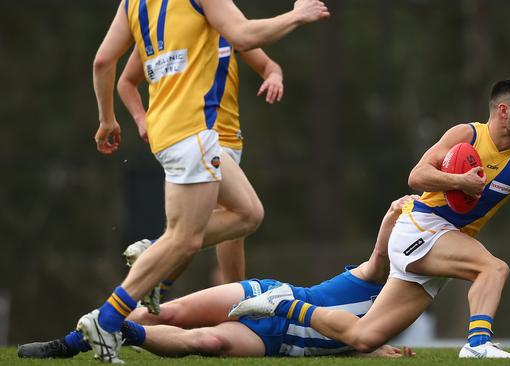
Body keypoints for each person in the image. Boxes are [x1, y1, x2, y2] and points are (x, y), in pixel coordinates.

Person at [229, 78, 510, 359]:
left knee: (363, 336)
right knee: (493, 267)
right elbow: (417, 175)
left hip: (440, 244)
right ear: (503, 110)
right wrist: (460, 179)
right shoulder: (467, 136)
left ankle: (282, 305)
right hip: (420, 224)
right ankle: (478, 343)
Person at [84, 0, 329, 363]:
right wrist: (297, 15)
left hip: (176, 133)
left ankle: (152, 261)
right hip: (194, 131)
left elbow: (102, 62)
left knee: (247, 213)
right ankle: (105, 320)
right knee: (184, 240)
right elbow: (244, 33)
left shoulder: (132, 3)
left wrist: (107, 120)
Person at [17, 197, 418, 359]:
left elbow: (355, 338)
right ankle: (68, 345)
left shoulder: (384, 325)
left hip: (273, 341)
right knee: (166, 315)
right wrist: (392, 215)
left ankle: (121, 332)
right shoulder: (375, 280)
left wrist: (371, 350)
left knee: (204, 342)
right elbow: (380, 256)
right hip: (265, 294)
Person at [116, 37, 284, 313]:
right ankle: (237, 305)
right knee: (235, 219)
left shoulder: (227, 26)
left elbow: (268, 64)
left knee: (208, 229)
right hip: (197, 138)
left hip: (229, 140)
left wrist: (274, 76)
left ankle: (144, 299)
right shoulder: (168, 26)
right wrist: (140, 119)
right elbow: (123, 79)